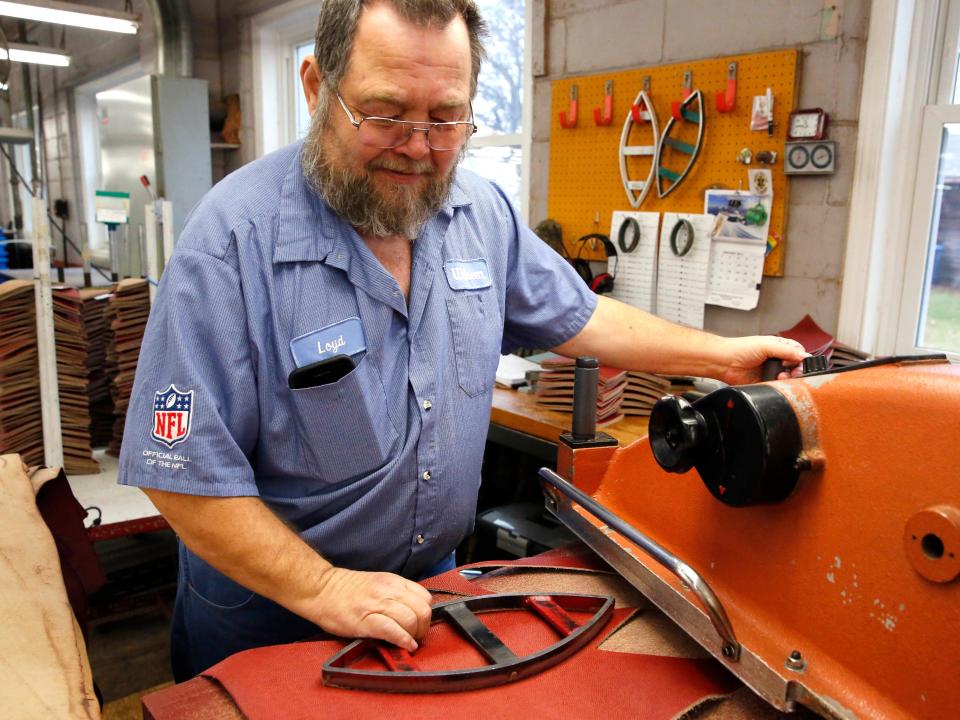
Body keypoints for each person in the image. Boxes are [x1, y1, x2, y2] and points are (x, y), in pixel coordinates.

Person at [118, 0, 806, 681]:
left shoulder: (480, 213)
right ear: (315, 87)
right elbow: (179, 473)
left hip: (428, 595)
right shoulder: (231, 243)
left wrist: (723, 356)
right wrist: (325, 588)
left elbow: (583, 317)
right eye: (386, 113)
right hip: (271, 616)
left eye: (446, 118)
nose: (419, 147)